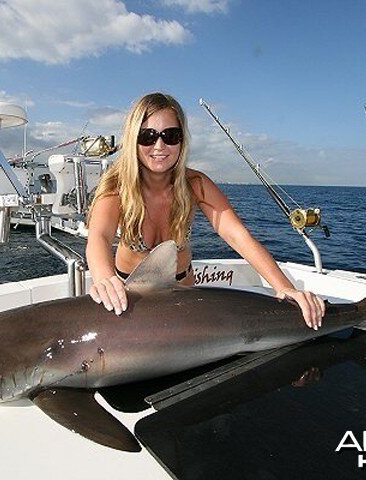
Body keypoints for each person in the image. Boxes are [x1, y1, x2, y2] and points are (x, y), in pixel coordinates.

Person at [85, 92, 325, 329]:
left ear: (182, 141)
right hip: (129, 297)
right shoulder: (116, 187)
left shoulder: (196, 184)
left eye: (170, 135)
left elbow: (236, 235)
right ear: (133, 140)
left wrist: (284, 287)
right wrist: (105, 278)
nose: (159, 145)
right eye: (147, 136)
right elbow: (99, 237)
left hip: (184, 293)